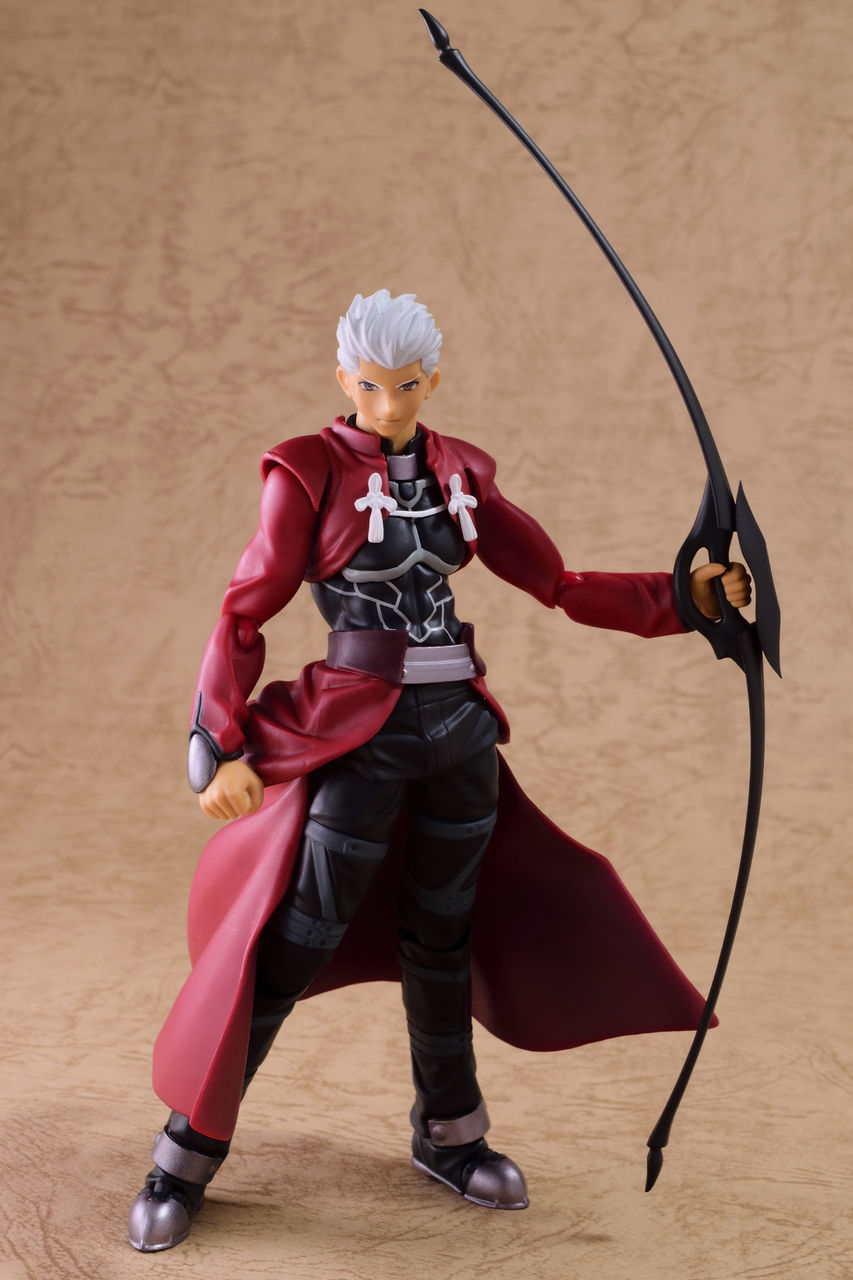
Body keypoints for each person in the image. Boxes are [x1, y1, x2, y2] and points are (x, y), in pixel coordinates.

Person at [128, 289, 751, 1252]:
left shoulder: (461, 471)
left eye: (408, 386)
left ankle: (450, 1132)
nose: (389, 406)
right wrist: (220, 742)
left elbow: (555, 582)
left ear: (432, 379)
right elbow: (246, 608)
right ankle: (187, 1149)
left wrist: (685, 598)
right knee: (296, 937)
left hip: (459, 729)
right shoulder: (306, 472)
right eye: (372, 386)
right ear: (345, 378)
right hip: (359, 733)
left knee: (444, 940)